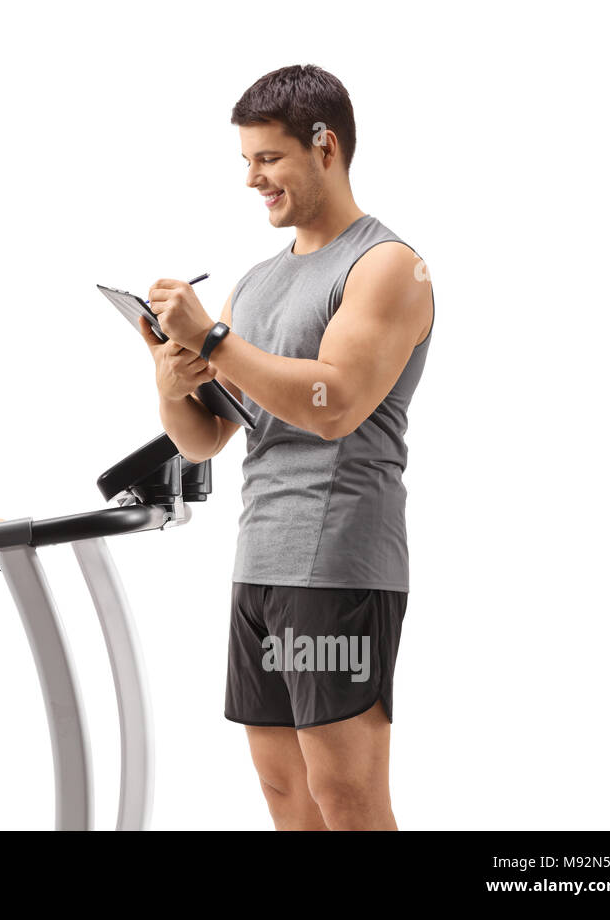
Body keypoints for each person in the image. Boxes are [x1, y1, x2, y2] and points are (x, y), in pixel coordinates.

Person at [138, 65, 433, 830]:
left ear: (325, 147)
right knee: (285, 795)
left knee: (347, 796)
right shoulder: (257, 284)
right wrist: (173, 375)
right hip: (261, 560)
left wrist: (212, 337)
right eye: (245, 160)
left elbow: (334, 404)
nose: (251, 179)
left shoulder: (386, 265)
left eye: (267, 159)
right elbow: (205, 439)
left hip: (336, 561)